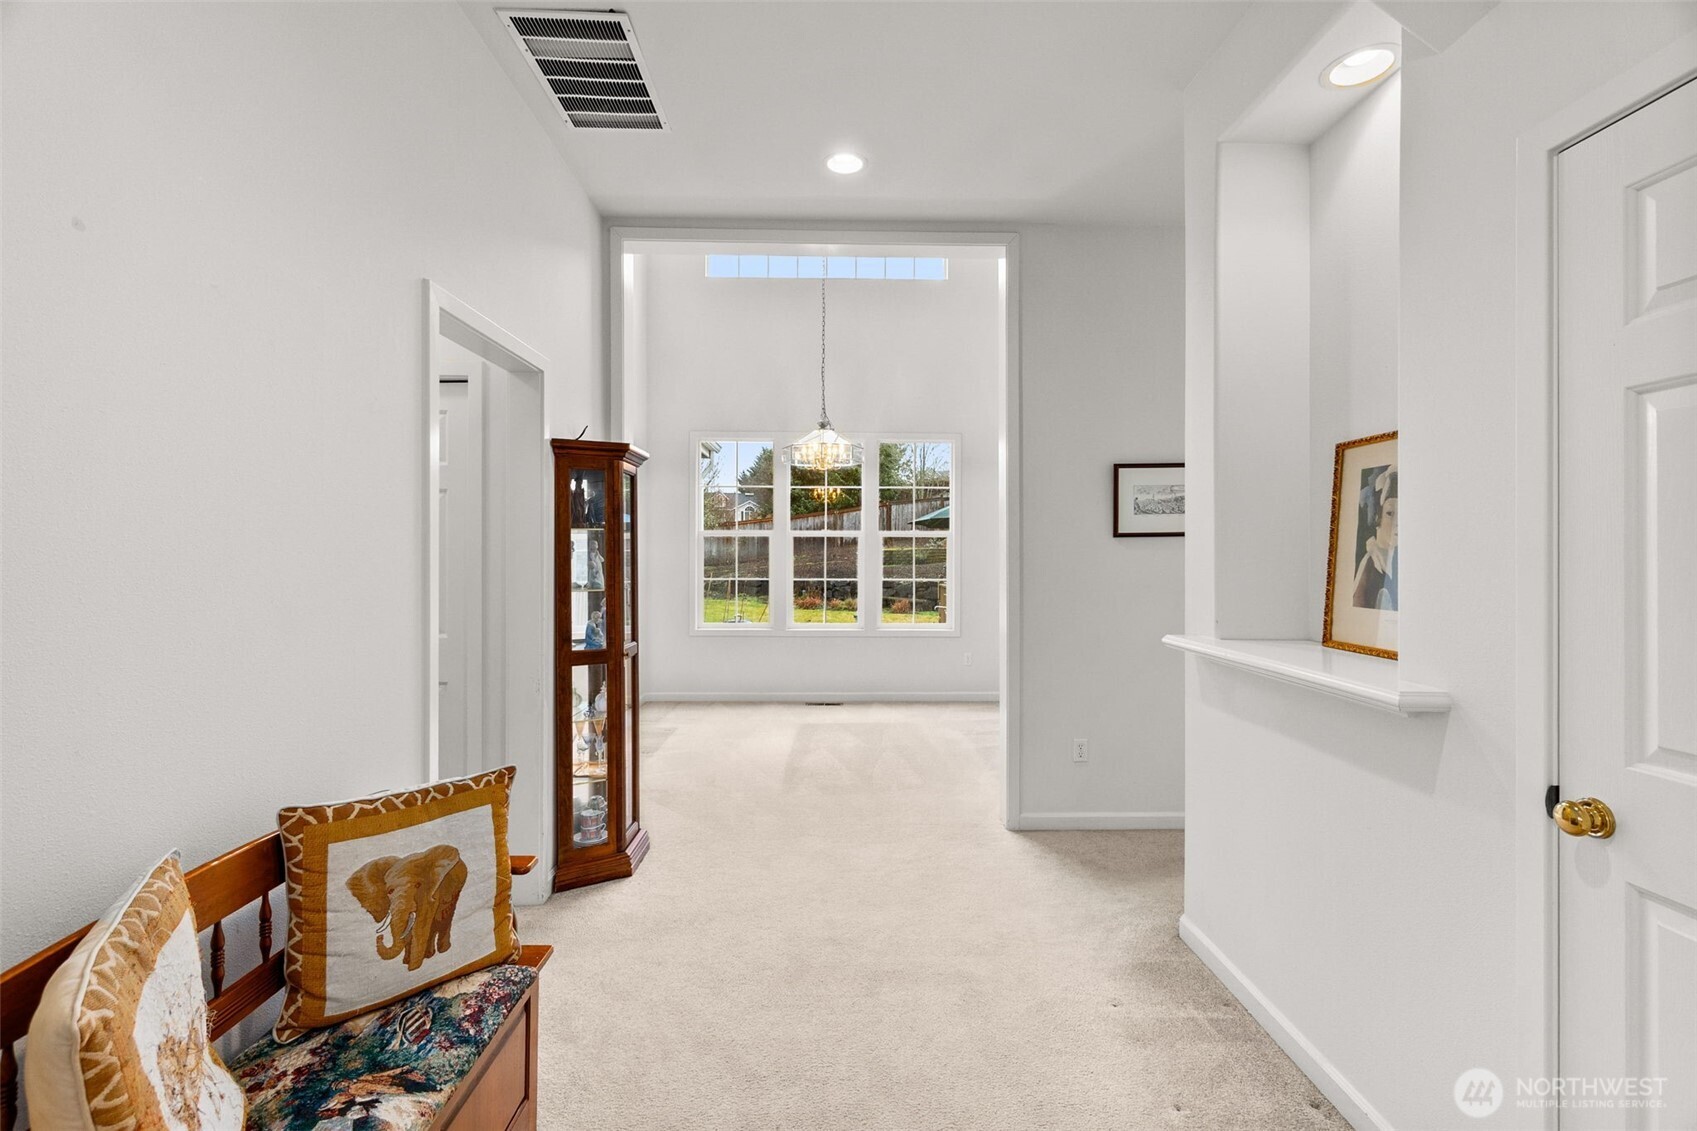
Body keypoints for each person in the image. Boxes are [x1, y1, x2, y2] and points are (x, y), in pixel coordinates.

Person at [1352, 468, 1397, 610]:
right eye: (1390, 513)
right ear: (1378, 517)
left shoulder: (1396, 559)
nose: (1398, 522)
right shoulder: (1370, 565)